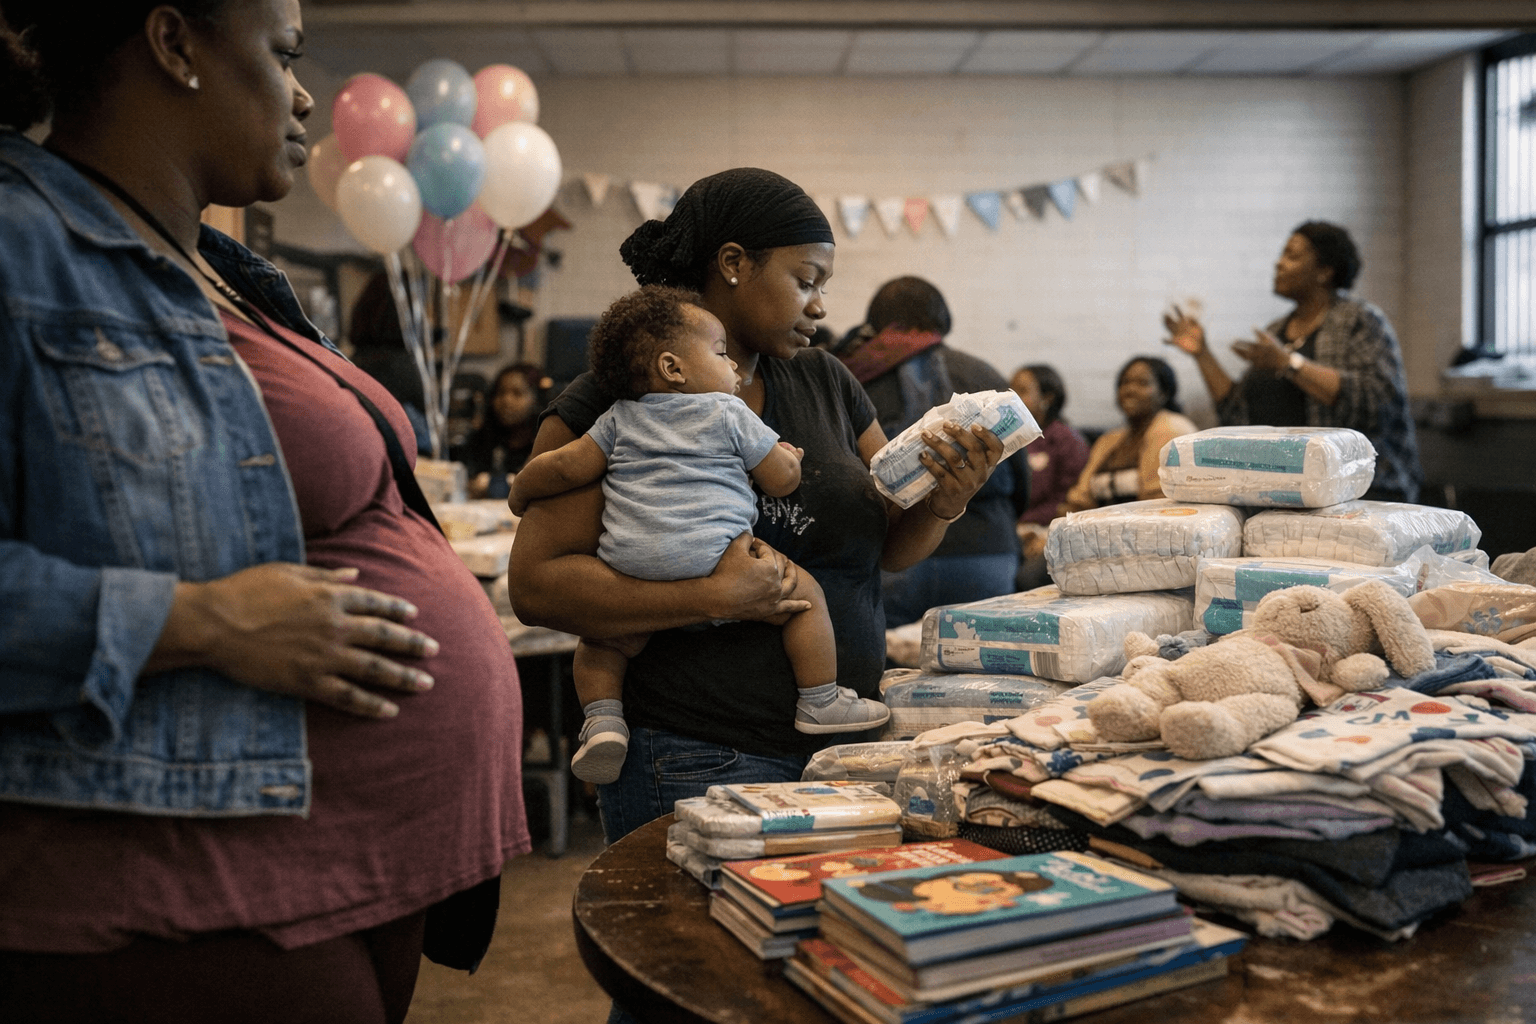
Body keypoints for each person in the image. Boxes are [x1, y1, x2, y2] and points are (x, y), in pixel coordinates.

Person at [0, 5, 528, 1022]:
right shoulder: (21, 246)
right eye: (284, 55)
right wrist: (202, 620)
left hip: (349, 844)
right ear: (173, 43)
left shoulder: (225, 271)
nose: (304, 96)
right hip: (178, 871)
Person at [507, 168, 1007, 849]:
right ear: (734, 264)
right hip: (696, 755)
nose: (820, 307)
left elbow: (888, 546)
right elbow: (537, 586)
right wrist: (710, 596)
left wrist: (943, 503)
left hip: (844, 751)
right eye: (806, 280)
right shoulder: (622, 394)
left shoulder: (826, 379)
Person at [508, 284, 888, 784]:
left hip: (631, 561)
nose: (734, 367)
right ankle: (820, 699)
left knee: (605, 642)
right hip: (713, 555)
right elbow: (779, 480)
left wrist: (520, 491)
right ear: (673, 368)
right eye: (721, 353)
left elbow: (562, 467)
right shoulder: (728, 412)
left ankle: (602, 721)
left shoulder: (618, 417)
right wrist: (789, 460)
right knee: (804, 598)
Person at [1162, 221, 1421, 503]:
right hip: (1287, 494)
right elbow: (1237, 414)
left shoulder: (1360, 320)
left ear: (1324, 271)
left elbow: (1378, 402)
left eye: (1292, 256)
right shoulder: (1276, 331)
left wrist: (1290, 364)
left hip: (1357, 491)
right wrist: (1202, 354)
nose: (1279, 263)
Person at [835, 276, 1032, 628]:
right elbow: (1020, 476)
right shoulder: (981, 373)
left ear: (875, 324)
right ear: (942, 320)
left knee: (890, 659)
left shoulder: (852, 375)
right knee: (984, 655)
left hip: (892, 559)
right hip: (984, 551)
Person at [1060, 356, 1197, 514]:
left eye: (1142, 383)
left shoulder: (1172, 429)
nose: (1130, 390)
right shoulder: (1110, 439)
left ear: (1164, 392)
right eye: (1125, 383)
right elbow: (1080, 499)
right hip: (1103, 525)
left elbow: (1159, 502)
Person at [1010, 364, 1089, 590]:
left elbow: (1069, 501)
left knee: (1024, 576)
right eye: (1010, 390)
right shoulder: (1011, 439)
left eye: (1022, 390)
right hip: (1014, 528)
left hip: (1052, 528)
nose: (1012, 397)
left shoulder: (1067, 441)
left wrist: (1029, 526)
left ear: (1047, 398)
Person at [457, 362, 549, 498]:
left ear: (537, 400)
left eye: (517, 393)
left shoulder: (546, 443)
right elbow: (464, 482)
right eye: (501, 393)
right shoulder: (481, 440)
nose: (506, 400)